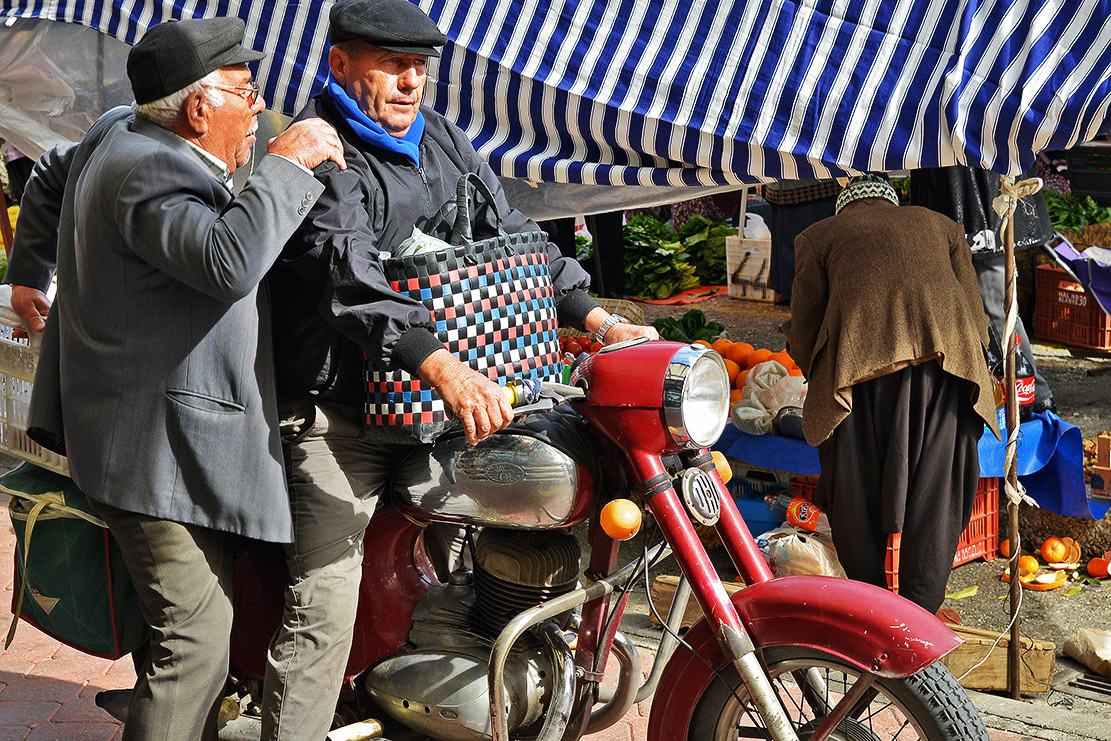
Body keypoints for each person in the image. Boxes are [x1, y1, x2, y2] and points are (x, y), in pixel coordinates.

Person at [260, 0, 657, 737]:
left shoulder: (440, 137)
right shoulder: (321, 145)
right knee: (323, 597)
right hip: (340, 412)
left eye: (419, 67)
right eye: (391, 65)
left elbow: (514, 239)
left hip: (435, 406)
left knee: (477, 555)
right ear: (341, 63)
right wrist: (443, 365)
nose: (410, 82)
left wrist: (599, 319)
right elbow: (346, 278)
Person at [4, 17, 345, 740]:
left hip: (146, 430)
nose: (259, 109)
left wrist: (29, 268)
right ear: (197, 108)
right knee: (194, 641)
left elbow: (51, 168)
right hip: (153, 447)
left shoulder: (117, 130)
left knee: (198, 628)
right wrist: (287, 163)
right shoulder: (150, 169)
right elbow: (229, 261)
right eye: (247, 94)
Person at [783, 175, 999, 616]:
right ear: (892, 202)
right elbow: (978, 322)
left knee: (854, 491)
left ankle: (873, 609)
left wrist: (821, 374)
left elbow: (803, 331)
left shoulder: (818, 235)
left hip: (859, 380)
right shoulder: (943, 226)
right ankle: (920, 612)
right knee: (939, 490)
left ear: (845, 208)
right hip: (948, 371)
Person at [910, 165, 1056, 413]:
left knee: (996, 306)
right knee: (989, 306)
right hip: (969, 196)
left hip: (981, 202)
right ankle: (1022, 393)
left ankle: (1033, 396)